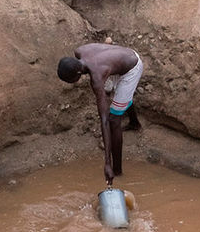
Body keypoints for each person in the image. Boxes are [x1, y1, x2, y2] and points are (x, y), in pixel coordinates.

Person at [57, 43, 144, 185]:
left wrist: (107, 163)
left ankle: (117, 171)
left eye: (71, 80)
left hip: (132, 68)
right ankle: (134, 123)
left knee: (114, 119)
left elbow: (104, 119)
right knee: (112, 92)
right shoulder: (80, 51)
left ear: (78, 74)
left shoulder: (97, 78)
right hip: (124, 57)